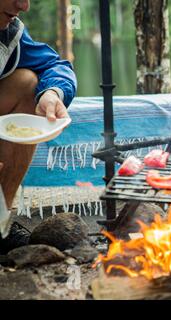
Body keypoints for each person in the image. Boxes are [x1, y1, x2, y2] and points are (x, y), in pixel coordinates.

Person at [0, 0, 77, 254]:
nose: (24, 5)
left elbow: (55, 66)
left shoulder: (10, 34)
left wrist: (53, 93)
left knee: (28, 82)